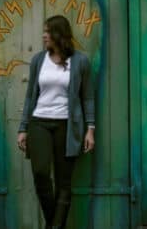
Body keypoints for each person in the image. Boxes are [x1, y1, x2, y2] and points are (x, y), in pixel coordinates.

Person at [17, 15, 95, 229]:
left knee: (63, 182)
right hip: (39, 122)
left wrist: (90, 129)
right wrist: (23, 127)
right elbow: (29, 96)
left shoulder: (80, 62)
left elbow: (87, 97)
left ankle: (54, 226)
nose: (44, 35)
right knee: (41, 174)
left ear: (59, 34)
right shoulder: (38, 60)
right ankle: (55, 225)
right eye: (44, 31)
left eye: (48, 32)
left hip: (67, 127)